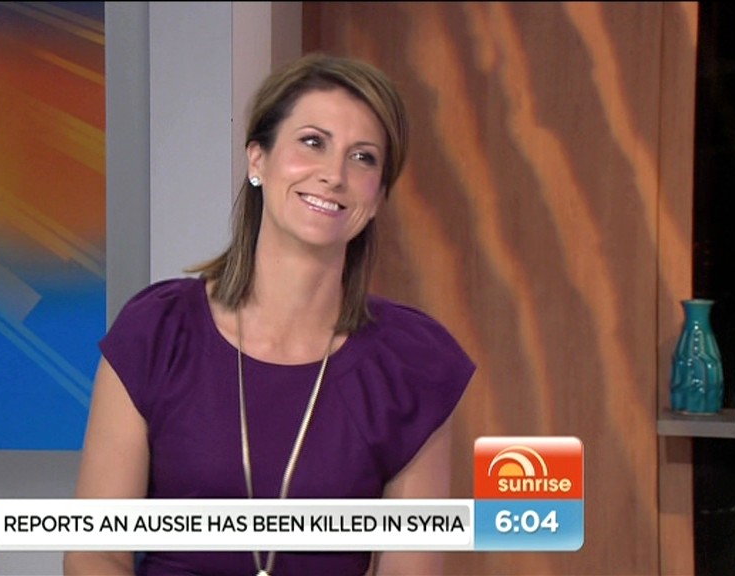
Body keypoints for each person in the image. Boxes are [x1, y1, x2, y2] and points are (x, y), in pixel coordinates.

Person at [64, 53, 475, 576]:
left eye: (363, 157)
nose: (334, 175)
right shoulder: (157, 333)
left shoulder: (412, 365)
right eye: (313, 142)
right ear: (257, 160)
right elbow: (95, 553)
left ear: (379, 196)